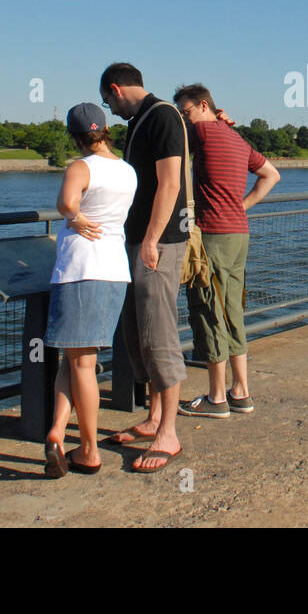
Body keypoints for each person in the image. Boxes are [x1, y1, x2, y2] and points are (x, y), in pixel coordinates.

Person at [92, 62, 187, 473]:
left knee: (158, 331)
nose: (109, 110)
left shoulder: (163, 115)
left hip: (159, 244)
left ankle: (169, 431)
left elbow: (171, 183)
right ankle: (152, 417)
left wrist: (150, 240)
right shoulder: (141, 121)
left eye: (106, 101)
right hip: (137, 242)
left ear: (116, 89)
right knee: (136, 332)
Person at [171, 84, 280, 418]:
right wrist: (241, 206)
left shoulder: (201, 133)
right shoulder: (235, 138)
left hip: (214, 236)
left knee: (207, 310)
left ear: (203, 106)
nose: (182, 120)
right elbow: (271, 174)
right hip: (238, 234)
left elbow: (172, 141)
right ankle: (241, 391)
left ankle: (216, 397)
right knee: (233, 309)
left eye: (184, 112)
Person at [44, 103, 136, 477]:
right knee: (75, 358)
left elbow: (67, 203)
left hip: (81, 269)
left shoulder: (80, 167)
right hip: (115, 270)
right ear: (106, 131)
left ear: (75, 135)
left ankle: (89, 450)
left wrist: (78, 218)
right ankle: (55, 430)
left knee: (81, 363)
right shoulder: (127, 171)